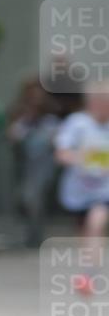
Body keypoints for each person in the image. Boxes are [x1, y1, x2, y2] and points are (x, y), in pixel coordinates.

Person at [55, 83, 109, 294]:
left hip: (103, 191)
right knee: (86, 234)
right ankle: (88, 271)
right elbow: (62, 153)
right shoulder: (77, 124)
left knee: (96, 224)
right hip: (78, 192)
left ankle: (89, 276)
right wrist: (84, 160)